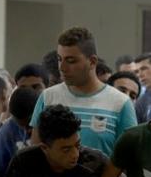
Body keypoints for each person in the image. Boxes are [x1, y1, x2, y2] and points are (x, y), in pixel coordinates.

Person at [31, 27, 137, 158]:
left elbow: (130, 160)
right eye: (59, 59)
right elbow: (34, 156)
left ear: (92, 62)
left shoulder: (120, 104)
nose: (62, 68)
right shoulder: (48, 98)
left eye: (71, 61)